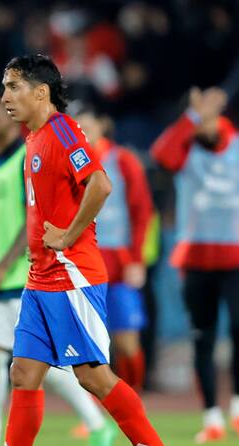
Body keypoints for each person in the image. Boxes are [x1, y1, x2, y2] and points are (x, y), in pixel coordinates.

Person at [0, 55, 184, 446]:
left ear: (41, 92)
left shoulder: (61, 131)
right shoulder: (35, 137)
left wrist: (69, 234)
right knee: (23, 373)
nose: (5, 97)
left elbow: (99, 183)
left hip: (72, 274)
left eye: (13, 86)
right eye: (4, 87)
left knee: (93, 376)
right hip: (41, 277)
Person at [0, 90, 116, 446]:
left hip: (27, 278)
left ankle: (97, 425)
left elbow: (31, 220)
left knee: (48, 368)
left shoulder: (30, 153)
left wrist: (3, 266)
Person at [150, 87, 239, 443]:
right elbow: (160, 154)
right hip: (195, 256)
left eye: (206, 117)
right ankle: (211, 417)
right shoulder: (185, 147)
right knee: (203, 338)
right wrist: (192, 117)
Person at [75, 107, 154, 392]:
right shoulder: (69, 163)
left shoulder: (122, 161)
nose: (81, 132)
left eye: (86, 125)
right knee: (88, 340)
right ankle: (97, 413)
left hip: (118, 260)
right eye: (77, 127)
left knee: (125, 340)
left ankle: (134, 399)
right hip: (82, 259)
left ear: (101, 125)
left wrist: (136, 259)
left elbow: (142, 211)